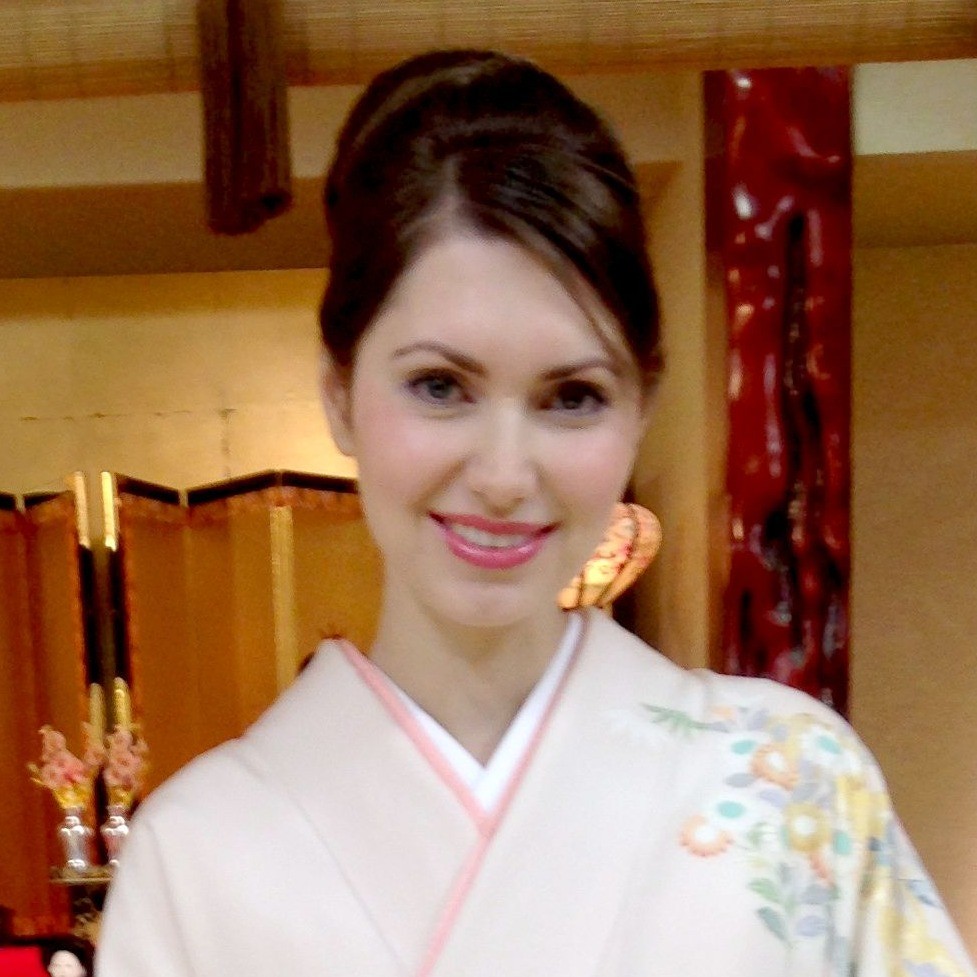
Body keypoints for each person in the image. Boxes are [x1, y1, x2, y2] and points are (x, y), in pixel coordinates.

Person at [96, 50, 975, 977]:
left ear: (642, 406)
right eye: (440, 386)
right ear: (339, 390)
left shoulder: (793, 785)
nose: (504, 476)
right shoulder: (197, 853)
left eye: (572, 397)